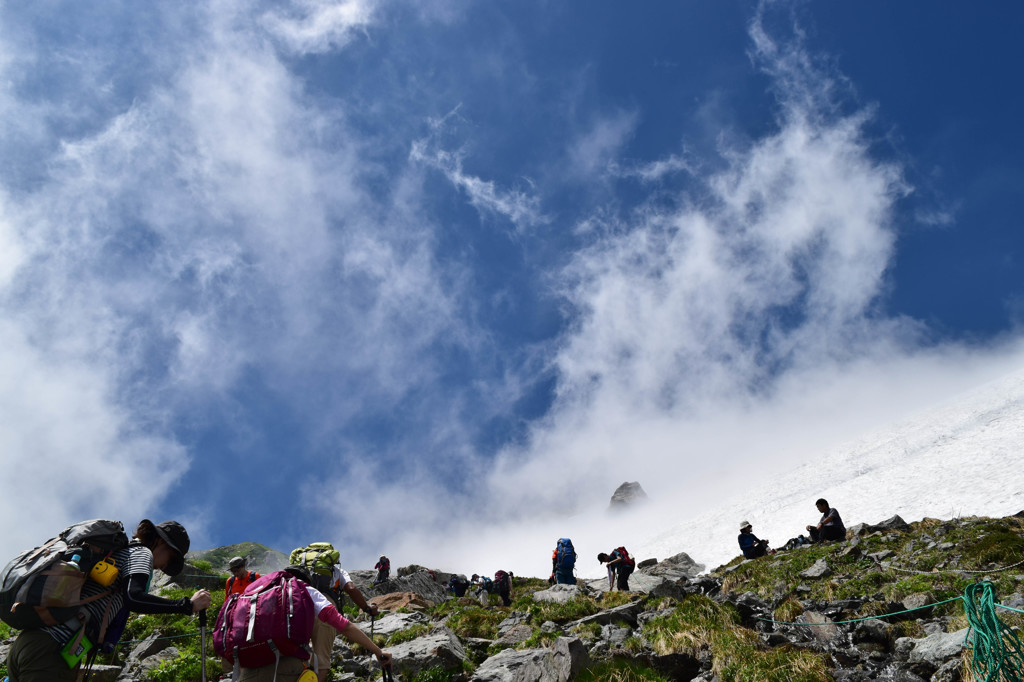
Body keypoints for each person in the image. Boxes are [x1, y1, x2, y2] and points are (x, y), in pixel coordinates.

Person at [6, 519, 212, 682]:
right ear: (160, 542)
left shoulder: (116, 553)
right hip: (53, 650)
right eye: (172, 556)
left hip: (29, 642)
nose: (166, 565)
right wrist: (188, 605)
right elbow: (134, 598)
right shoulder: (141, 553)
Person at [234, 566, 391, 682]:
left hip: (248, 670)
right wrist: (378, 652)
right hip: (287, 670)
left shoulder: (253, 596)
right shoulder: (303, 589)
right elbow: (345, 626)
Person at [292, 552, 379, 682]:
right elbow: (351, 588)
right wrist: (366, 608)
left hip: (297, 604)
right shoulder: (337, 571)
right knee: (321, 659)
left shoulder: (299, 570)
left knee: (293, 653)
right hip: (324, 607)